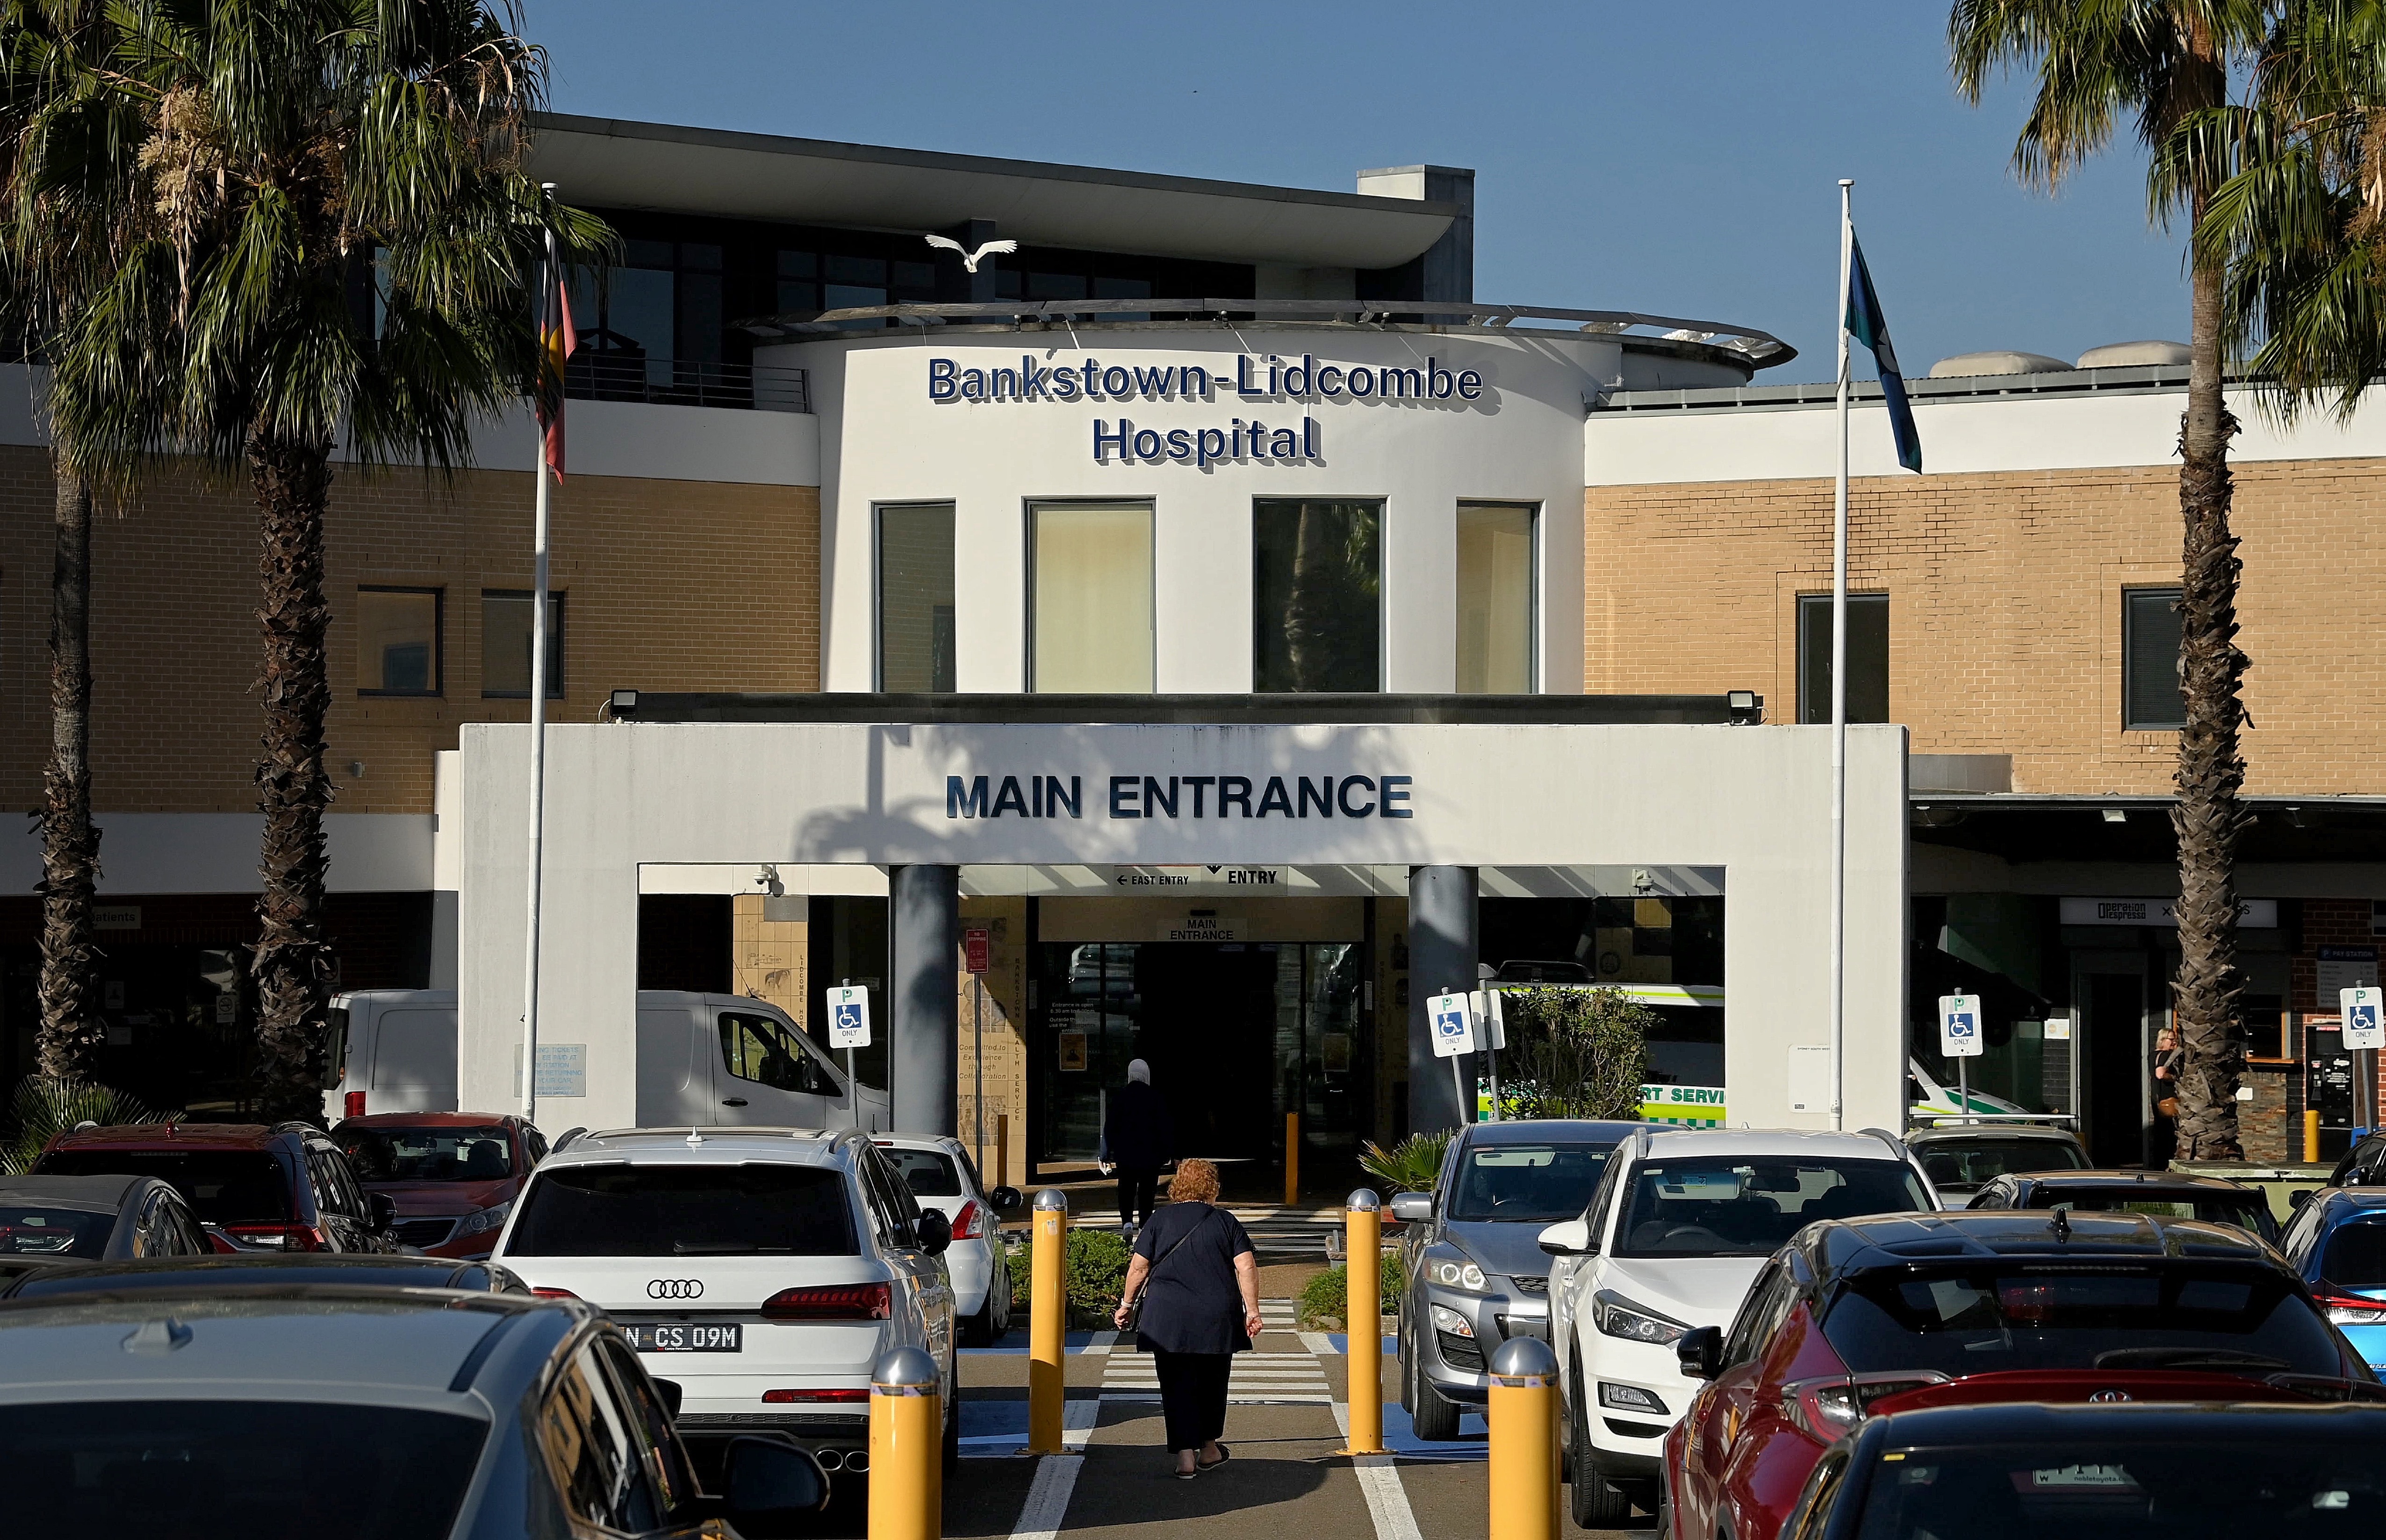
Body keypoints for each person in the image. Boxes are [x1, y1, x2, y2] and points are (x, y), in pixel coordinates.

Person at [1111, 1157, 1260, 1479]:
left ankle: (1184, 1457)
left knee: (1176, 1384)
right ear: (1213, 1188)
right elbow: (1246, 1266)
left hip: (1168, 1317)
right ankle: (1208, 1448)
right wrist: (1253, 1310)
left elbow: (1139, 1268)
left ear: (1178, 1186)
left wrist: (1126, 1304)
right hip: (1216, 1316)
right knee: (1213, 1382)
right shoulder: (1226, 1222)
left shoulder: (1158, 1221)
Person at [1101, 1059, 1172, 1231]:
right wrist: (1168, 1153)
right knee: (1147, 1193)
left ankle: (1127, 1222)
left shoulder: (1120, 1097)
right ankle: (1144, 1225)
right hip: (1151, 1156)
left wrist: (1105, 1154)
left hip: (1126, 1155)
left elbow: (1110, 1127)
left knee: (1126, 1189)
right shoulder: (1156, 1097)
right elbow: (1165, 1127)